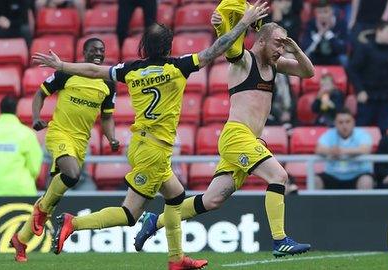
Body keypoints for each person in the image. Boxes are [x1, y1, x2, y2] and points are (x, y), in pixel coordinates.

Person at [33, 3, 269, 269]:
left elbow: (95, 71)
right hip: (154, 151)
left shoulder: (131, 69)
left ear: (144, 46)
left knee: (176, 196)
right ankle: (73, 223)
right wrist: (243, 22)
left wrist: (61, 64)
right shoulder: (177, 67)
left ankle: (176, 259)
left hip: (143, 144)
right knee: (129, 214)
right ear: (168, 47)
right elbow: (219, 47)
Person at [133, 1, 316, 260]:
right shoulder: (243, 61)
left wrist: (294, 48)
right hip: (236, 136)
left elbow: (308, 73)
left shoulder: (275, 65)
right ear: (262, 41)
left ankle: (155, 221)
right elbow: (231, 49)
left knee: (211, 200)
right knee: (279, 176)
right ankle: (279, 239)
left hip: (249, 139)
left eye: (283, 45)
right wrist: (224, 28)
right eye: (277, 43)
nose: (280, 49)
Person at [10, 37, 120, 263]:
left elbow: (107, 117)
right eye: (94, 50)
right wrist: (36, 118)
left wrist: (112, 138)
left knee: (50, 201)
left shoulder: (108, 83)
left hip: (81, 144)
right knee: (71, 174)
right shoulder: (67, 73)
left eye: (102, 50)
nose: (98, 53)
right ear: (84, 52)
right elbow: (40, 93)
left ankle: (21, 240)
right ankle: (38, 214)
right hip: (59, 134)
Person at [0, 96, 43, 196]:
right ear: (16, 111)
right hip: (21, 191)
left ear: (0, 110)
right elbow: (34, 168)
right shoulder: (26, 133)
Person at [348, 22, 388, 134]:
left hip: (387, 99)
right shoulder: (365, 48)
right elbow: (352, 69)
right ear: (379, 31)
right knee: (361, 130)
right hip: (367, 97)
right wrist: (360, 90)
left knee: (386, 130)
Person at [314, 108, 374, 189]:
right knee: (315, 180)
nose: (344, 125)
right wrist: (331, 151)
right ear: (335, 123)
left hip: (357, 174)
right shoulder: (329, 134)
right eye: (340, 122)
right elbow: (318, 149)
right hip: (333, 175)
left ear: (353, 122)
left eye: (347, 122)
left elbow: (365, 149)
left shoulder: (362, 134)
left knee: (366, 181)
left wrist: (342, 151)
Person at [301, 0, 348, 66]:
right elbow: (305, 50)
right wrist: (320, 34)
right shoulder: (310, 25)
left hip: (334, 57)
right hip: (316, 57)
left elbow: (343, 49)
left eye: (326, 12)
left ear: (332, 12)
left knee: (344, 59)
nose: (323, 15)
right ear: (315, 13)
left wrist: (328, 34)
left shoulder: (341, 24)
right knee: (304, 60)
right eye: (319, 12)